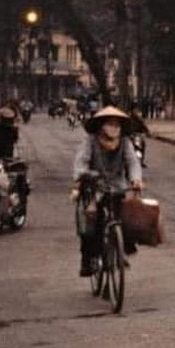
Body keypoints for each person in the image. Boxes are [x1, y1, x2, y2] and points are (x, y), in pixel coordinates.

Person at [72, 106, 143, 277]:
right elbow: (81, 160)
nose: (113, 128)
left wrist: (136, 179)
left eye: (116, 124)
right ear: (101, 125)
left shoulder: (124, 142)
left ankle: (120, 250)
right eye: (109, 124)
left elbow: (132, 162)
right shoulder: (90, 140)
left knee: (123, 218)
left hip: (117, 186)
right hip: (93, 186)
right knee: (89, 226)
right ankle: (87, 258)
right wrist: (83, 174)